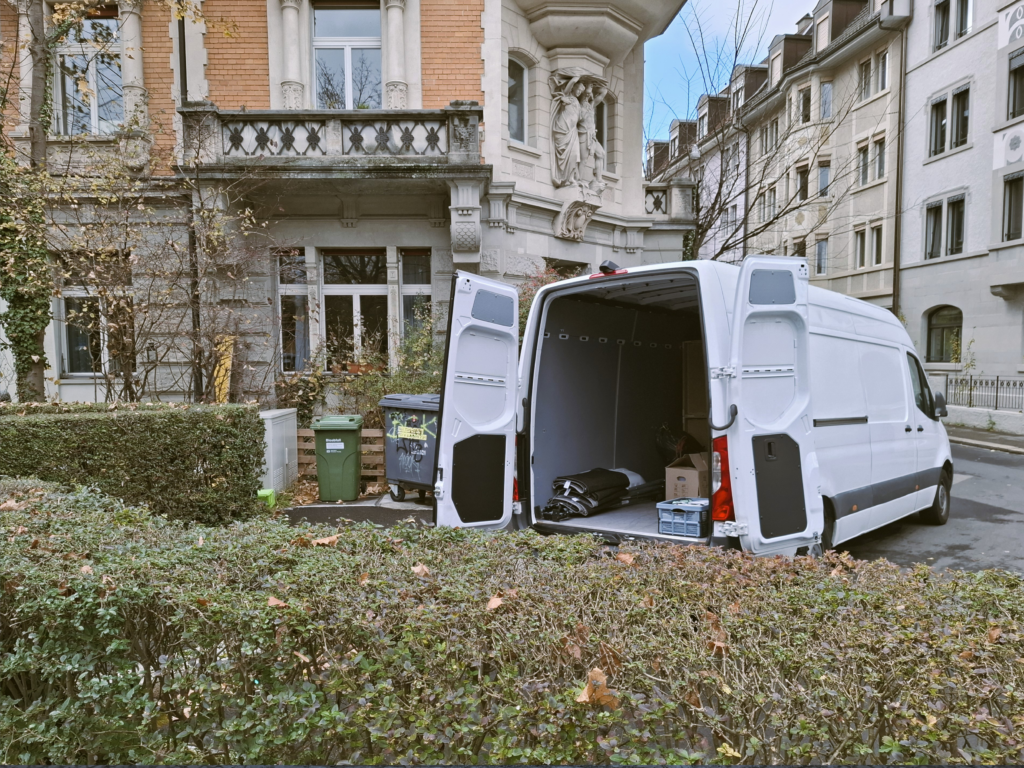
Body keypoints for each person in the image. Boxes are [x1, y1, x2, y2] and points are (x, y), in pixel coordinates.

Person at [551, 78, 585, 187]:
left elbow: (580, 118)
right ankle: (564, 178)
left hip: (573, 131)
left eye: (581, 91)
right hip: (563, 129)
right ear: (573, 87)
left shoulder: (576, 101)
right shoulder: (566, 97)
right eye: (578, 89)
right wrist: (575, 78)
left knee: (575, 154)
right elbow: (565, 92)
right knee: (567, 153)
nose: (579, 92)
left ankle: (570, 178)